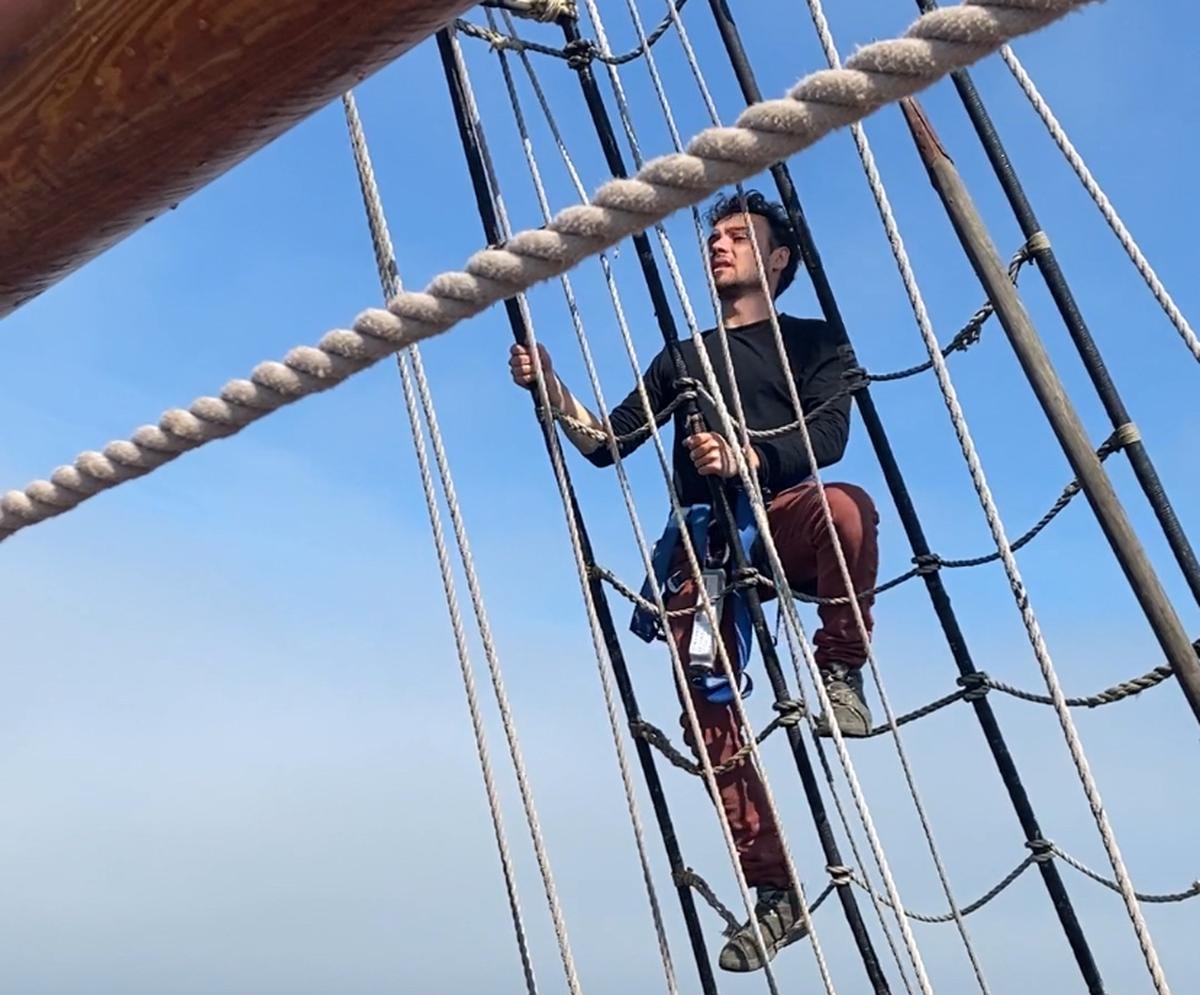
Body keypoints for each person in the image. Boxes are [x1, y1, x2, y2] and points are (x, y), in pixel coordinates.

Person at [508, 190, 880, 972]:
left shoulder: (816, 344)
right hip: (708, 547)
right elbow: (607, 441)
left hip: (782, 510)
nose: (719, 246)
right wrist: (550, 386)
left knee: (846, 511)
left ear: (778, 261)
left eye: (739, 237)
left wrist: (748, 456)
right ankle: (775, 894)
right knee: (703, 697)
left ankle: (840, 663)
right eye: (714, 236)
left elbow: (832, 436)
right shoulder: (685, 358)